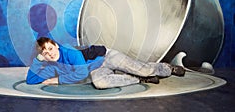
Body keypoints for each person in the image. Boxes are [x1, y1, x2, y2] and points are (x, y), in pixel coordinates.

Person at [26, 37, 185, 89]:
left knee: (143, 69)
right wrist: (37, 60)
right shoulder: (50, 63)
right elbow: (31, 80)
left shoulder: (69, 52)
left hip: (107, 56)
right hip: (96, 68)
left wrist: (57, 80)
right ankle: (138, 79)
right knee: (99, 82)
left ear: (56, 46)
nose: (50, 53)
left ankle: (167, 68)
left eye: (50, 48)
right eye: (45, 53)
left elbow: (80, 73)